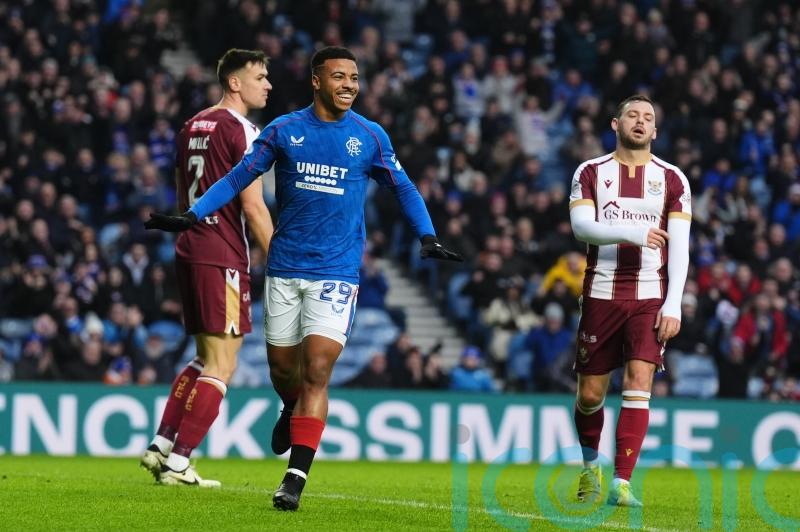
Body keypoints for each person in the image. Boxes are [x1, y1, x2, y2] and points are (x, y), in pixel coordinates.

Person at [144, 46, 462, 509]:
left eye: (354, 77)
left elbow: (404, 186)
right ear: (317, 81)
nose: (350, 85)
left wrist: (427, 235)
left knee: (317, 370)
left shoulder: (369, 137)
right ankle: (288, 406)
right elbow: (236, 179)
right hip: (285, 268)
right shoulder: (284, 131)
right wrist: (193, 214)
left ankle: (294, 478)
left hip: (336, 272)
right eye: (339, 77)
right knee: (283, 372)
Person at [140, 48, 274, 487]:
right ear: (234, 82)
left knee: (203, 357)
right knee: (223, 364)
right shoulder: (243, 130)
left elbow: (183, 189)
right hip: (222, 254)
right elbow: (253, 207)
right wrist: (277, 256)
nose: (267, 84)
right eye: (259, 77)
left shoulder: (191, 124)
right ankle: (179, 462)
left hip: (190, 247)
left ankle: (162, 444)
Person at [568, 94, 691, 507]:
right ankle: (590, 467)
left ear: (655, 131)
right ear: (615, 124)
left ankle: (622, 482)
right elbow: (582, 226)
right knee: (589, 396)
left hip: (649, 297)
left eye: (648, 118)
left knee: (640, 383)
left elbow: (681, 248)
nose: (640, 122)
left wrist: (673, 303)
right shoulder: (591, 172)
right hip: (601, 292)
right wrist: (635, 233)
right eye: (632, 115)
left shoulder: (673, 179)